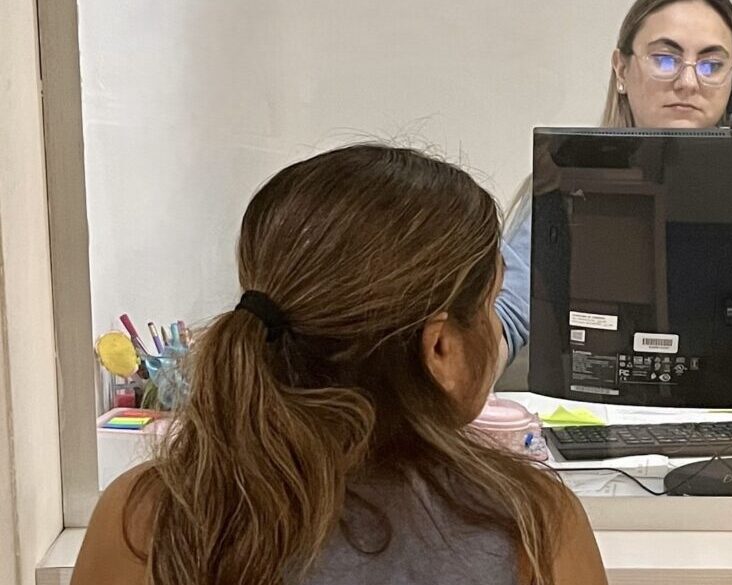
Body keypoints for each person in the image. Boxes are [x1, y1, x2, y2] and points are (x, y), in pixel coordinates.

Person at [72, 145, 607, 585]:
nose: (496, 323)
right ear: (441, 348)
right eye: (491, 304)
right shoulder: (534, 527)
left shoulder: (144, 517)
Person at [495, 0, 732, 374]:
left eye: (712, 66)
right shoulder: (565, 184)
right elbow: (506, 316)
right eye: (665, 59)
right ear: (621, 69)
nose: (688, 82)